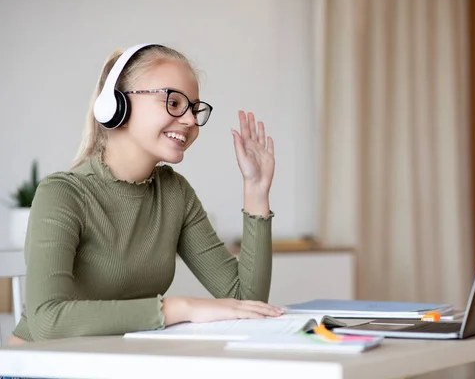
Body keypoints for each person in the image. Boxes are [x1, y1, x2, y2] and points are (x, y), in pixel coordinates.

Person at [7, 43, 283, 346]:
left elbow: (246, 302)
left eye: (193, 108)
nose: (190, 120)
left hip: (118, 364)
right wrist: (179, 308)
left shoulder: (174, 193)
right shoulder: (63, 194)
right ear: (117, 106)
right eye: (174, 103)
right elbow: (47, 320)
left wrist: (256, 191)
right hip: (39, 368)